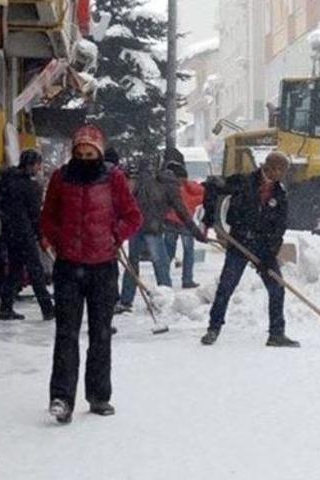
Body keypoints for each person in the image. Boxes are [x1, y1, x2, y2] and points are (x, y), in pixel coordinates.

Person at [40, 124, 143, 424]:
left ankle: (99, 395)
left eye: (90, 154)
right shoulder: (61, 178)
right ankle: (62, 398)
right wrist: (56, 239)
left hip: (102, 268)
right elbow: (48, 217)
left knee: (100, 333)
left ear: (99, 153)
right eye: (80, 154)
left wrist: (115, 235)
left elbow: (133, 216)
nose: (85, 159)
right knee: (66, 334)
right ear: (74, 153)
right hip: (68, 267)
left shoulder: (113, 178)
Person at [200, 152, 298, 347]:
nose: (282, 174)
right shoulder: (243, 181)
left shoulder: (280, 194)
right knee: (226, 287)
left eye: (284, 171)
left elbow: (280, 226)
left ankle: (276, 334)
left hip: (264, 246)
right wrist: (209, 219)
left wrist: (270, 253)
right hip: (240, 241)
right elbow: (212, 186)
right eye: (280, 170)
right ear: (269, 167)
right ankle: (213, 329)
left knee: (277, 288)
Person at [114, 159, 207, 313]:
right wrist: (195, 231)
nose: (182, 184)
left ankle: (126, 300)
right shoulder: (170, 186)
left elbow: (129, 202)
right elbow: (181, 211)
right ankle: (166, 300)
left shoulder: (148, 180)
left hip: (136, 226)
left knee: (133, 263)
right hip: (152, 228)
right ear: (177, 178)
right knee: (160, 264)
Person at [0, 150, 55, 321]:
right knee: (36, 271)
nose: (39, 168)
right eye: (38, 164)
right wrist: (40, 235)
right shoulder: (31, 186)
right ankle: (47, 309)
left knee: (15, 270)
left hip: (9, 233)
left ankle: (5, 308)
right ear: (32, 164)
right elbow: (35, 215)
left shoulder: (6, 180)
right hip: (24, 233)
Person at [162, 161, 205, 289]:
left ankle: (164, 280)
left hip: (170, 221)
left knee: (168, 252)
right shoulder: (190, 188)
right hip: (186, 223)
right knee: (189, 252)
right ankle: (187, 280)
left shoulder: (167, 187)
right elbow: (202, 195)